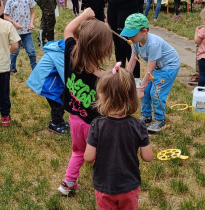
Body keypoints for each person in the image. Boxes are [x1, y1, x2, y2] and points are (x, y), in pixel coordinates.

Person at [57, 8, 113, 196]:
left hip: (74, 118)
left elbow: (68, 30)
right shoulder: (103, 78)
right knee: (102, 155)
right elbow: (109, 106)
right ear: (102, 49)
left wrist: (85, 15)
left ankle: (67, 184)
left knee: (78, 152)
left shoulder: (71, 53)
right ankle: (105, 186)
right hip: (95, 126)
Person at [84, 67, 153, 210]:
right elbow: (148, 157)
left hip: (104, 186)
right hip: (130, 186)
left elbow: (89, 157)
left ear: (101, 96)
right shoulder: (139, 125)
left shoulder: (97, 125)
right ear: (132, 97)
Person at [121, 13, 180, 132]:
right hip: (158, 68)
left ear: (144, 31)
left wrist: (141, 89)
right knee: (146, 90)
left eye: (131, 35)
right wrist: (125, 77)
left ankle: (160, 120)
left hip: (169, 67)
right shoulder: (135, 42)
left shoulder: (153, 44)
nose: (129, 38)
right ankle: (147, 116)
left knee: (155, 92)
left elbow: (149, 70)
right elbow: (132, 60)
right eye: (127, 35)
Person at [26, 39, 70, 134]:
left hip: (53, 79)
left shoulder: (64, 50)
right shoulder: (60, 54)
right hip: (46, 82)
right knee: (57, 102)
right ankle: (55, 123)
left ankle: (60, 120)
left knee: (61, 99)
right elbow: (66, 74)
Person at [107, 0, 141, 79]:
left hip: (128, 6)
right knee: (117, 43)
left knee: (126, 44)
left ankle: (136, 79)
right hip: (112, 5)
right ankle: (119, 77)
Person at [4, 0, 37, 74]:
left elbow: (33, 12)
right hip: (15, 32)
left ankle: (35, 70)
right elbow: (5, 16)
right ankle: (12, 69)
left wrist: (31, 23)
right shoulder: (10, 1)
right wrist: (14, 23)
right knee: (14, 52)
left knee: (31, 51)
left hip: (27, 31)